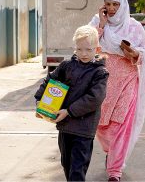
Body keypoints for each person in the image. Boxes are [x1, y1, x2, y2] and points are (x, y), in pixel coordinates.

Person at [88, 0, 145, 181]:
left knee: (121, 125)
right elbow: (86, 45)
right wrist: (101, 25)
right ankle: (112, 152)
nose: (111, 8)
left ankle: (115, 171)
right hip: (102, 81)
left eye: (115, 4)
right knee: (102, 126)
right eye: (107, 4)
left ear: (123, 5)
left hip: (127, 81)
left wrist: (135, 54)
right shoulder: (96, 22)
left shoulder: (133, 26)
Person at [34, 25, 109, 181]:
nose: (84, 54)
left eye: (89, 49)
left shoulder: (100, 72)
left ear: (97, 48)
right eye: (79, 49)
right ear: (74, 47)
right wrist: (40, 102)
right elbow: (50, 81)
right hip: (65, 127)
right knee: (67, 166)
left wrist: (68, 111)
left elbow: (94, 98)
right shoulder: (67, 66)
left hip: (84, 129)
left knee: (77, 170)